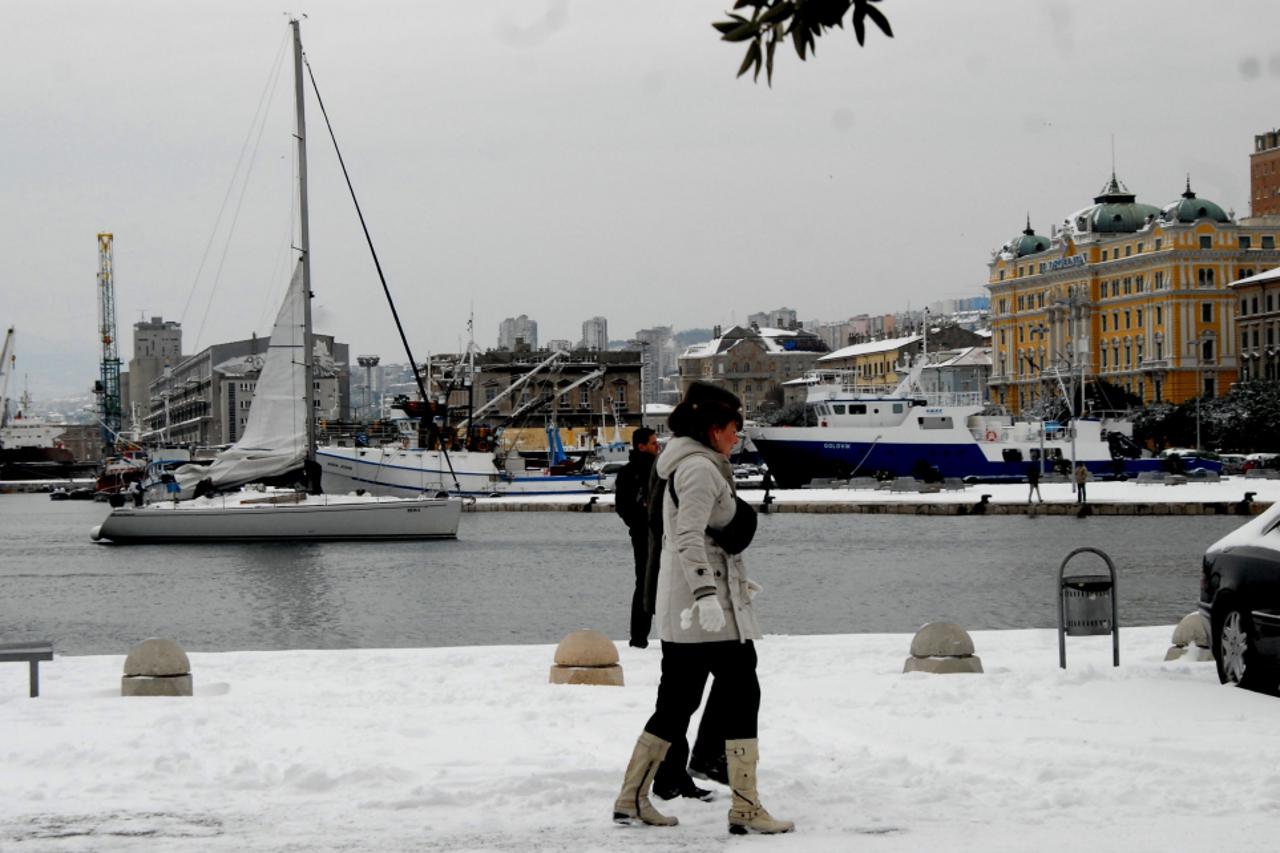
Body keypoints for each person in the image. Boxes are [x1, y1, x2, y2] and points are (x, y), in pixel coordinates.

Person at [612, 382, 793, 835]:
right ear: (714, 430)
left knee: (677, 704)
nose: (737, 437)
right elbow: (687, 536)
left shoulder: (690, 463)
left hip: (689, 610)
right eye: (733, 429)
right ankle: (745, 806)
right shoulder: (698, 469)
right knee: (742, 694)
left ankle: (632, 798)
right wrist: (707, 595)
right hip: (708, 614)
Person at [615, 427, 660, 649]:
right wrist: (640, 522)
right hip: (643, 535)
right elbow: (623, 506)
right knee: (644, 582)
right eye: (653, 443)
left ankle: (670, 635)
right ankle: (639, 638)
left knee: (665, 582)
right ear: (641, 446)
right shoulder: (628, 473)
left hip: (663, 534)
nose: (657, 446)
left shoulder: (662, 469)